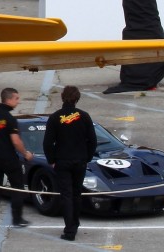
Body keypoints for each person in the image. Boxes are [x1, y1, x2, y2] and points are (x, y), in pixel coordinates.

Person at [43, 85, 97, 242]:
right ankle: (75, 223)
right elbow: (92, 141)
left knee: (66, 195)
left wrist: (52, 160)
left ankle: (70, 229)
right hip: (80, 160)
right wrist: (87, 157)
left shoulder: (55, 117)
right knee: (76, 194)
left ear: (62, 97)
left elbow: (47, 143)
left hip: (62, 161)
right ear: (77, 98)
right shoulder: (84, 116)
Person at [0, 87, 33, 228]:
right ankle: (17, 219)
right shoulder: (10, 119)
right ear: (8, 99)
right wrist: (25, 153)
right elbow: (16, 141)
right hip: (9, 158)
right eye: (16, 98)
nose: (18, 101)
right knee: (17, 187)